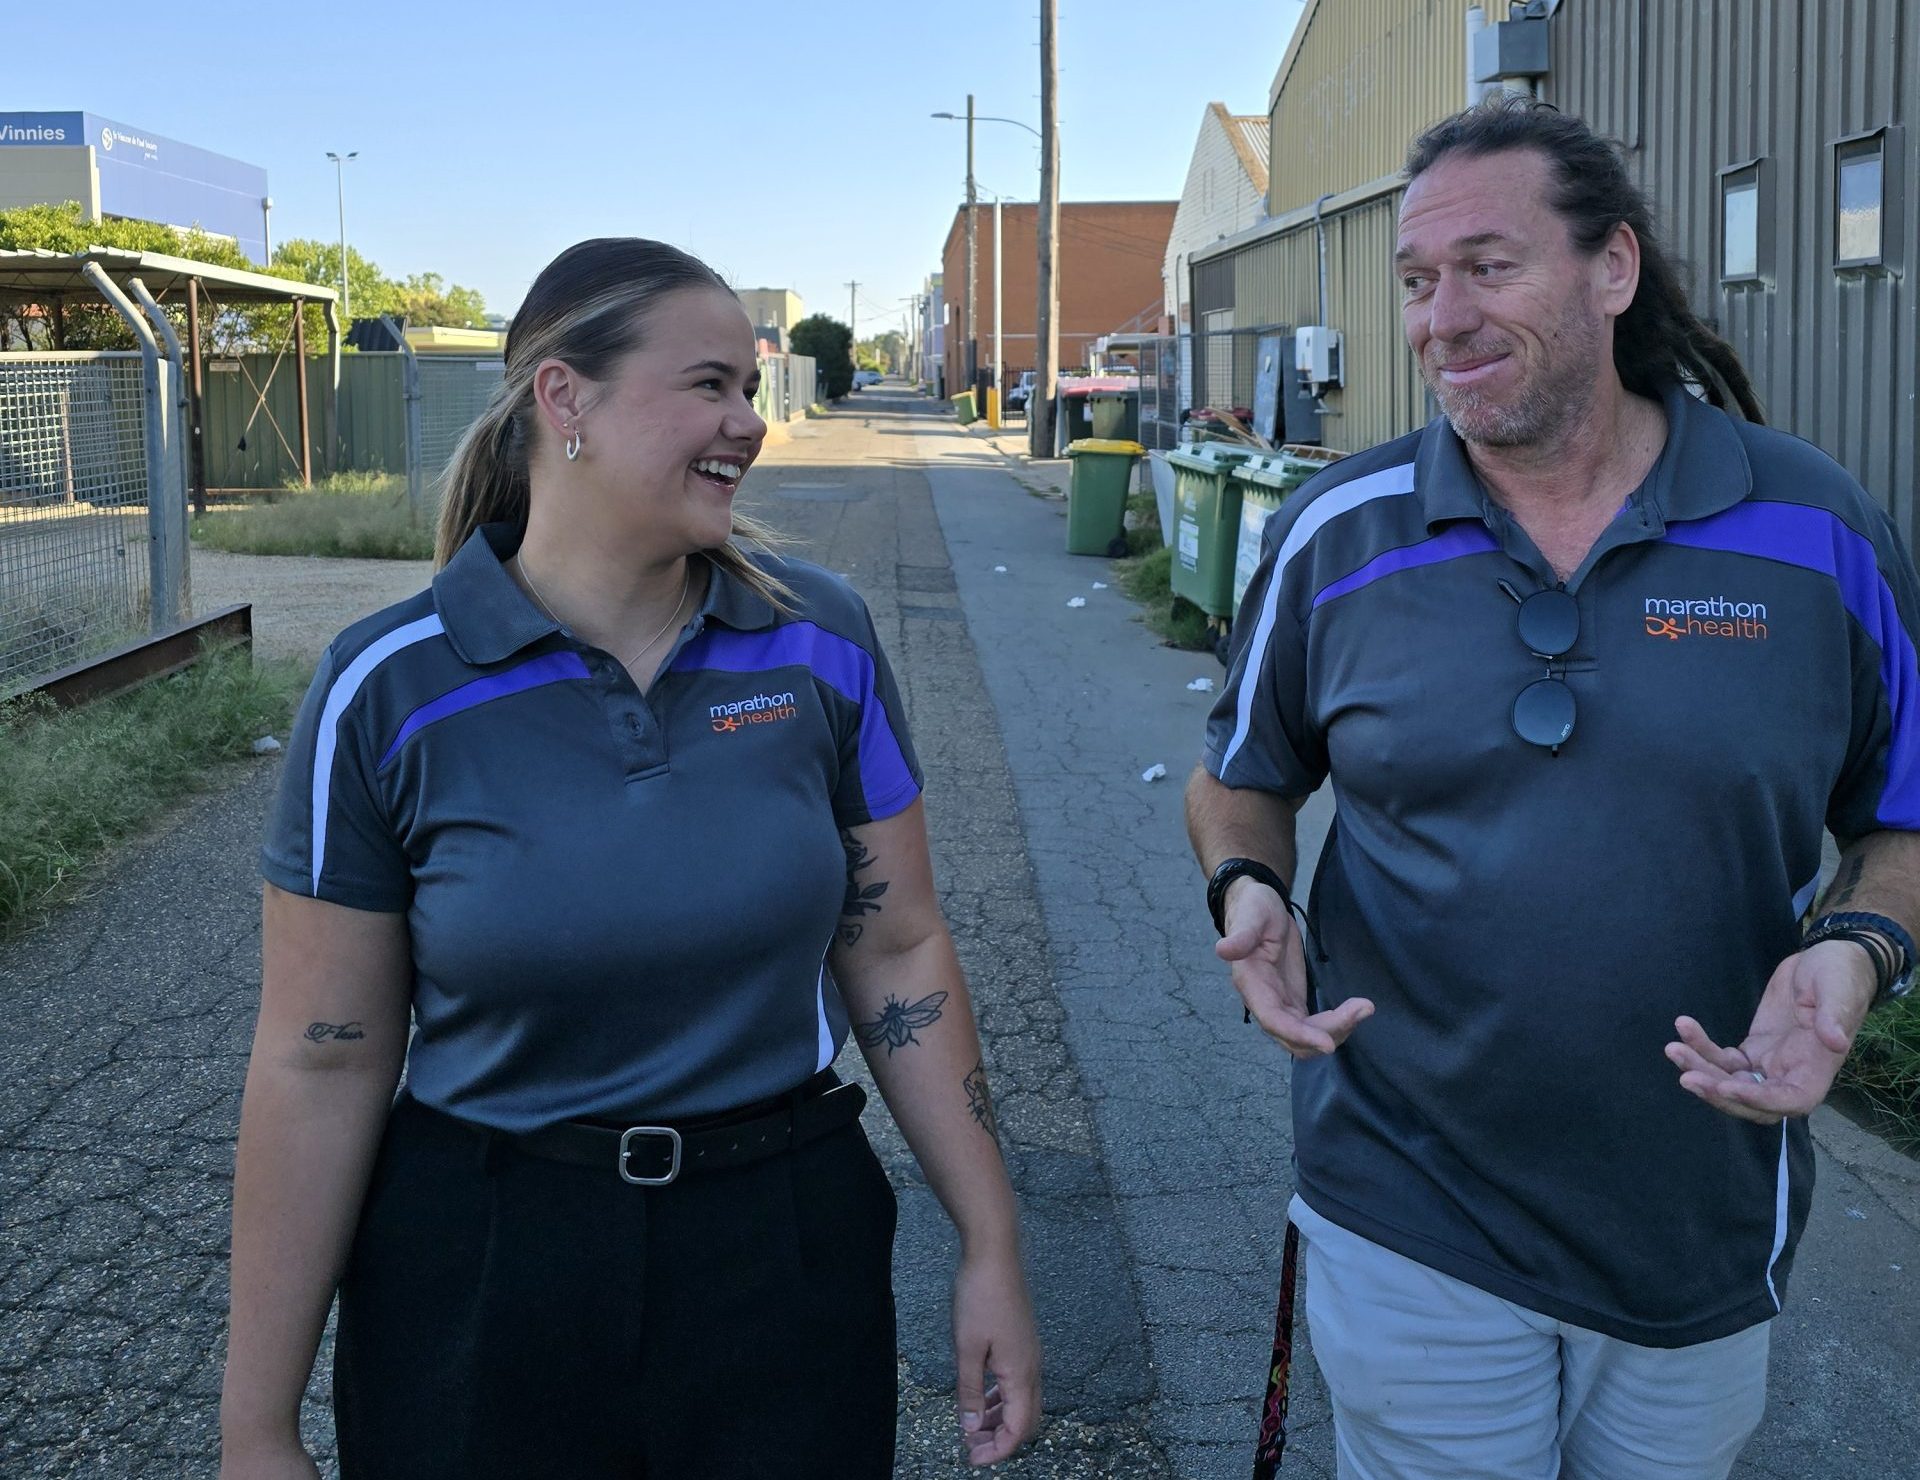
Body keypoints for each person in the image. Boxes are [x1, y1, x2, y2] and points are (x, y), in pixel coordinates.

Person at [219, 237, 1040, 1479]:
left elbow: (896, 942)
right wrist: (258, 1426)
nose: (749, 423)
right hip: (489, 1257)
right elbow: (318, 1062)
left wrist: (990, 1245)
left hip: (782, 1241)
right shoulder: (385, 688)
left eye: (753, 389)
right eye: (709, 384)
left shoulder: (820, 640)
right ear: (566, 400)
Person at [1187, 97, 1920, 1480]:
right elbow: (1242, 780)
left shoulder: (1814, 531)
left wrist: (1859, 947)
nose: (1440, 318)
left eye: (1487, 266)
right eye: (1415, 281)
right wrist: (1251, 882)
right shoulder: (1336, 535)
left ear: (1613, 269)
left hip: (1696, 1217)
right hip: (1407, 1196)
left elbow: (1906, 816)